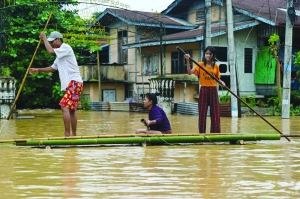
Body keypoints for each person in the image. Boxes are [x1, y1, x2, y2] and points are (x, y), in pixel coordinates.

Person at [30, 31, 83, 137]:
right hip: (74, 84)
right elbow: (53, 68)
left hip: (75, 82)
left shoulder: (66, 48)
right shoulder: (60, 55)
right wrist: (38, 69)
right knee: (71, 110)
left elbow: (50, 52)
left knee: (64, 107)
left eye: (52, 42)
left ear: (58, 40)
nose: (52, 45)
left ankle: (67, 135)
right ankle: (74, 135)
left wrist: (44, 38)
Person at [184, 46, 225, 133]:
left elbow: (218, 78)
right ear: (204, 55)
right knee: (202, 114)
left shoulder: (216, 66)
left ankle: (215, 137)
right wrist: (188, 61)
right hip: (204, 90)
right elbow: (189, 72)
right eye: (206, 53)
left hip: (213, 90)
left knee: (215, 114)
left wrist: (222, 82)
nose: (208, 55)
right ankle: (202, 136)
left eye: (210, 54)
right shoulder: (200, 65)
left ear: (213, 55)